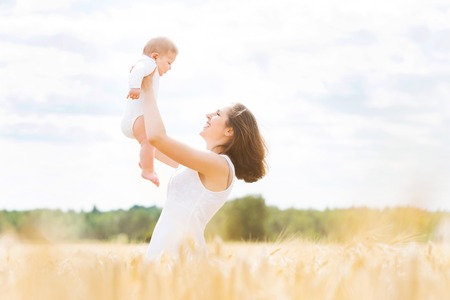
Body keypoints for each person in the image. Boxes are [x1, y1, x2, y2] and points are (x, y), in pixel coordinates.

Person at [139, 75, 268, 261]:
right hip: (163, 252)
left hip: (181, 259)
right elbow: (148, 141)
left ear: (229, 131)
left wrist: (148, 88)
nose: (208, 115)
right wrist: (138, 95)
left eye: (217, 114)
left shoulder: (220, 166)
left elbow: (157, 138)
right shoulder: (200, 163)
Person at [121, 37, 178, 187]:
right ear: (155, 56)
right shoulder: (149, 64)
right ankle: (147, 169)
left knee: (148, 144)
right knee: (149, 141)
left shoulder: (147, 64)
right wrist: (134, 87)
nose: (170, 68)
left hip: (133, 120)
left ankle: (146, 159)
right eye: (169, 63)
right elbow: (138, 71)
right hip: (137, 118)